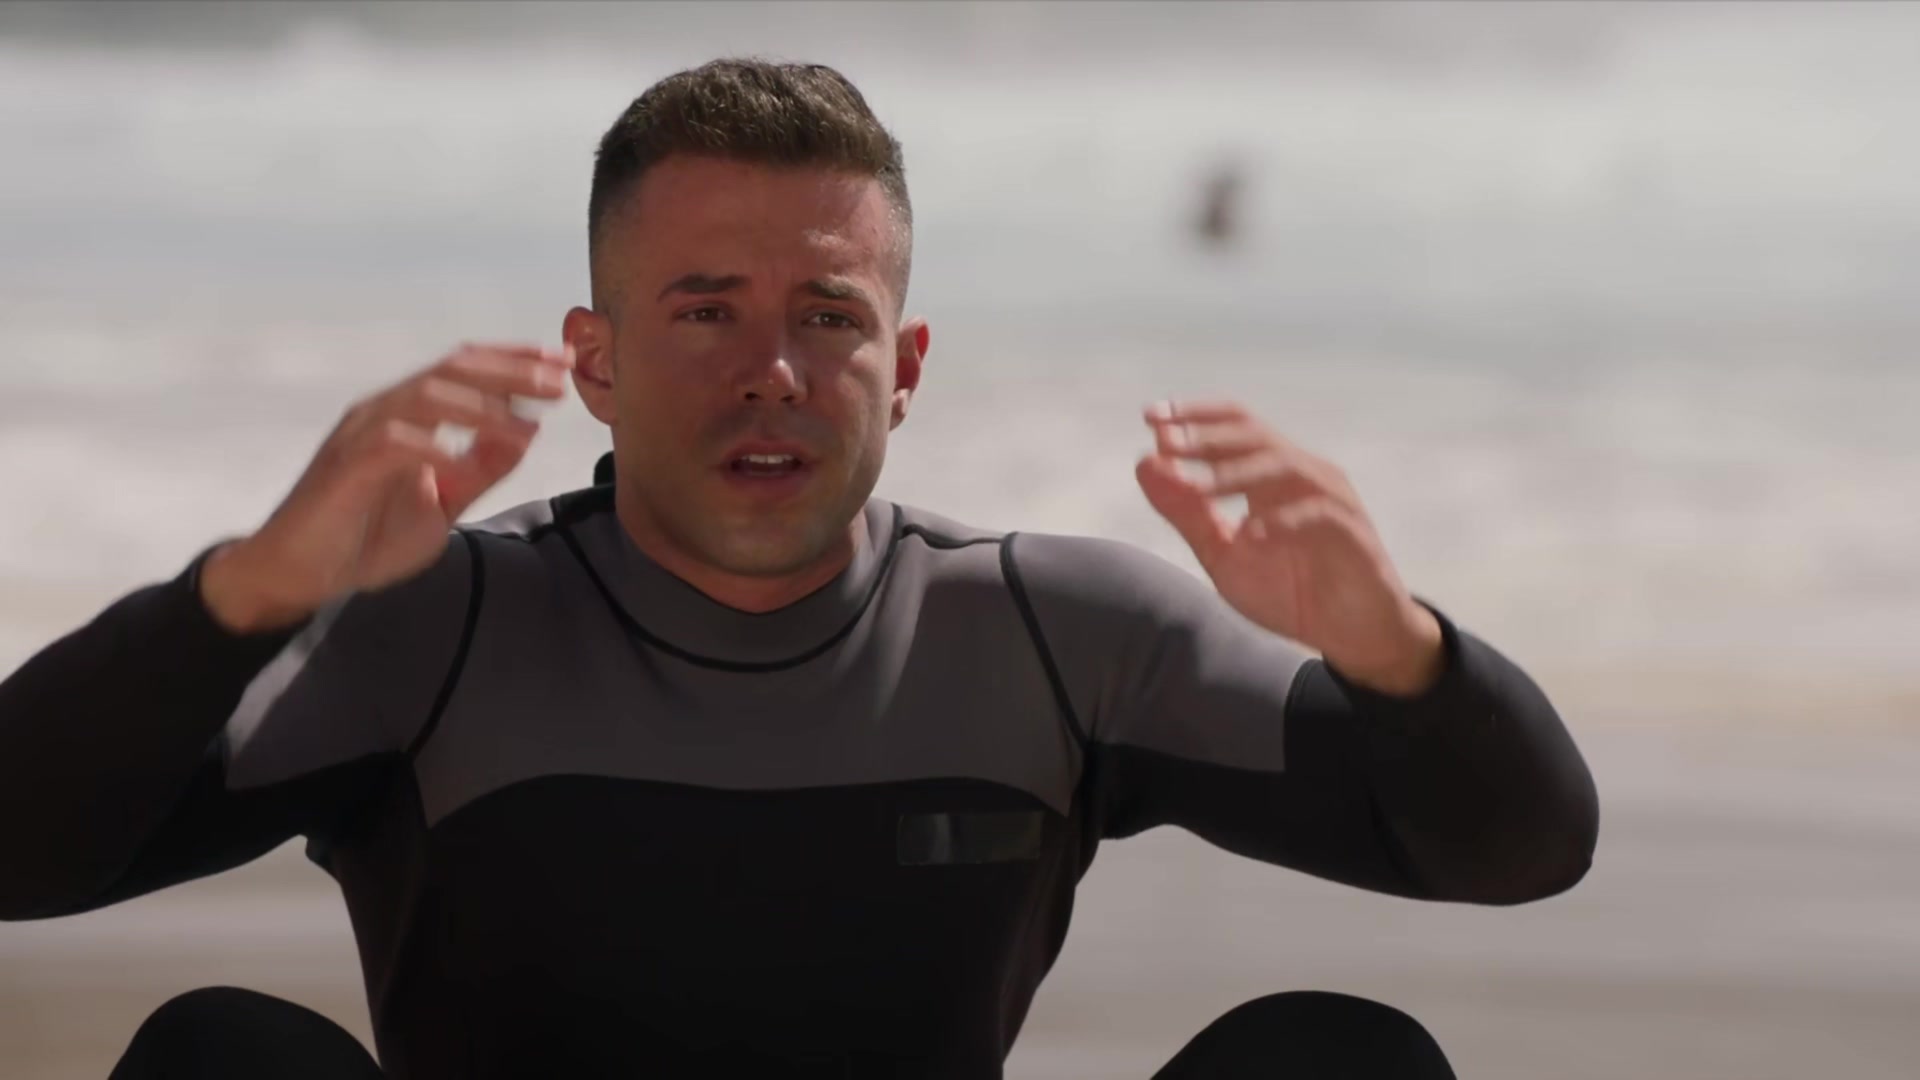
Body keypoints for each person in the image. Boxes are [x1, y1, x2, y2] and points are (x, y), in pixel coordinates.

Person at [0, 59, 1598, 1079]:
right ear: (596, 360)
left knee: (1335, 1058)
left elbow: (1518, 852)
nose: (771, 369)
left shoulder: (1057, 635)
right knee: (220, 1056)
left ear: (904, 370)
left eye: (828, 316)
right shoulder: (434, 633)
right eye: (705, 309)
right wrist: (243, 598)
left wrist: (1399, 653)